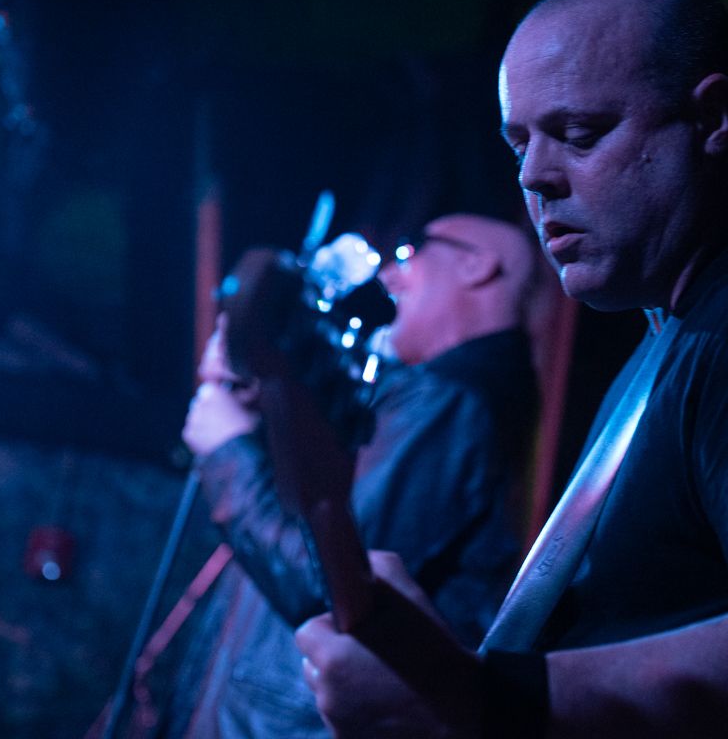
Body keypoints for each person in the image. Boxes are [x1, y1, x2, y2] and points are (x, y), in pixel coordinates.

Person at [294, 0, 728, 738]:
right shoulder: (684, 327)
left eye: (580, 134)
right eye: (519, 143)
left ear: (712, 118)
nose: (534, 176)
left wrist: (483, 701)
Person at [162, 213, 545, 738]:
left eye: (411, 252)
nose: (388, 275)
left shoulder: (451, 402)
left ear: (476, 265)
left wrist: (228, 449)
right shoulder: (441, 400)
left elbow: (328, 579)